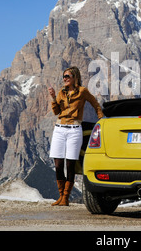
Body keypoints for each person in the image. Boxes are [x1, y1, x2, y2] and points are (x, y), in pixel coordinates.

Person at [48, 66, 104, 206]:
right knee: (58, 165)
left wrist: (101, 118)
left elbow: (95, 104)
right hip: (59, 129)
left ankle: (66, 197)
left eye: (67, 76)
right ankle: (61, 196)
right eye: (64, 76)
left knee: (70, 164)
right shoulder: (61, 92)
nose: (65, 78)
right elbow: (56, 112)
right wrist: (54, 97)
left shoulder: (82, 92)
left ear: (75, 78)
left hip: (74, 130)